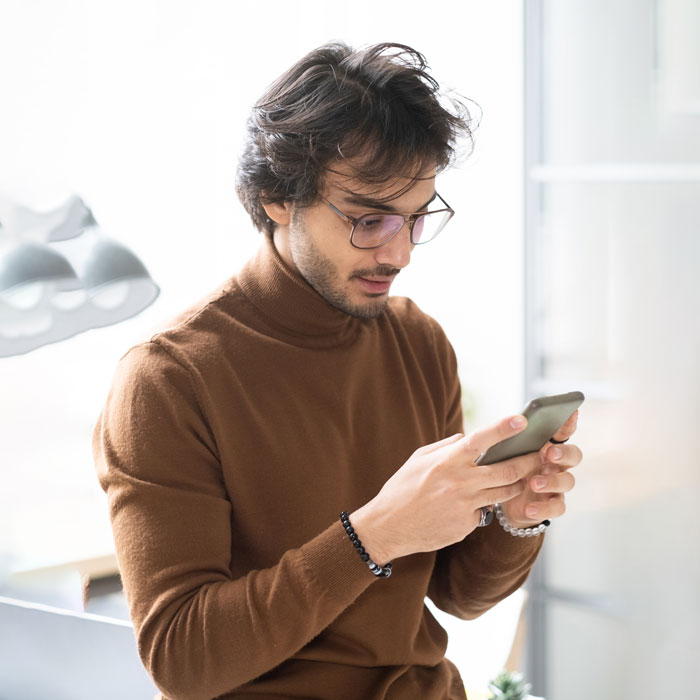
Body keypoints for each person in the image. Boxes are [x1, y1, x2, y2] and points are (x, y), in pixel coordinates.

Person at [92, 41, 582, 700]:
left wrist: (515, 520)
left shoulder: (418, 342)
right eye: (366, 219)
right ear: (275, 197)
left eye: (415, 218)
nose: (400, 251)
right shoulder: (169, 380)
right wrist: (374, 534)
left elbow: (460, 594)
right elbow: (183, 660)